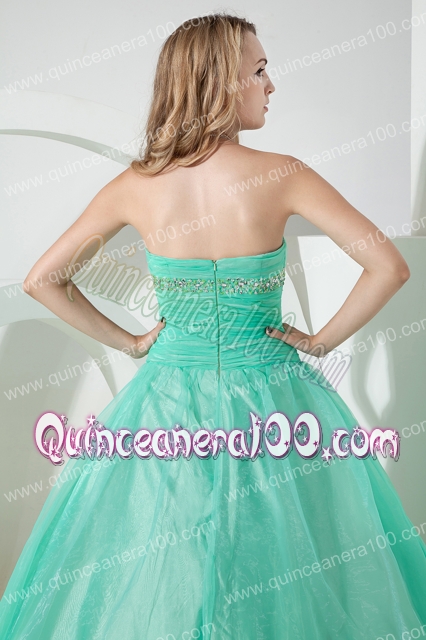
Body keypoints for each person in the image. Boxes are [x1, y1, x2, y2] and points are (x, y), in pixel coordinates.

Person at [1, 12, 425, 640]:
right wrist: (319, 343)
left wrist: (132, 343)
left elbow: (44, 280)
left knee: (166, 568)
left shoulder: (138, 185)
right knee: (285, 562)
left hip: (166, 407)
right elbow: (389, 266)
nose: (271, 85)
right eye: (259, 71)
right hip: (276, 402)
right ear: (222, 80)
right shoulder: (282, 174)